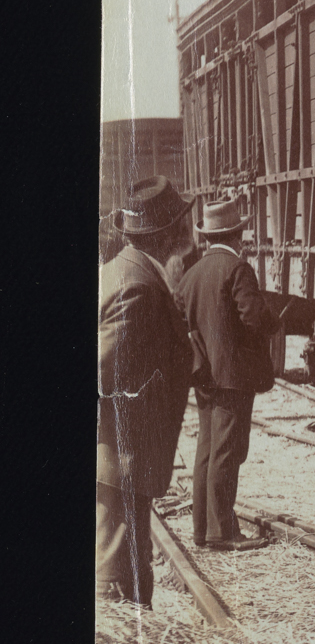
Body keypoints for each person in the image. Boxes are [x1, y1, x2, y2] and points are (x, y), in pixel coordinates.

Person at [98, 178, 197, 605]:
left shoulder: (123, 271)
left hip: (123, 460)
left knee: (128, 577)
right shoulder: (138, 287)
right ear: (171, 234)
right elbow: (102, 373)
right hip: (122, 462)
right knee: (118, 586)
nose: (191, 234)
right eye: (184, 224)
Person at [176, 195, 277, 549]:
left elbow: (180, 322)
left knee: (207, 449)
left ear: (206, 237)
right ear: (238, 235)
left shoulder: (191, 275)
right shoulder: (237, 269)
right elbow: (254, 317)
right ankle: (223, 532)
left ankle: (202, 529)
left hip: (203, 375)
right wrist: (270, 322)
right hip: (234, 376)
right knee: (228, 451)